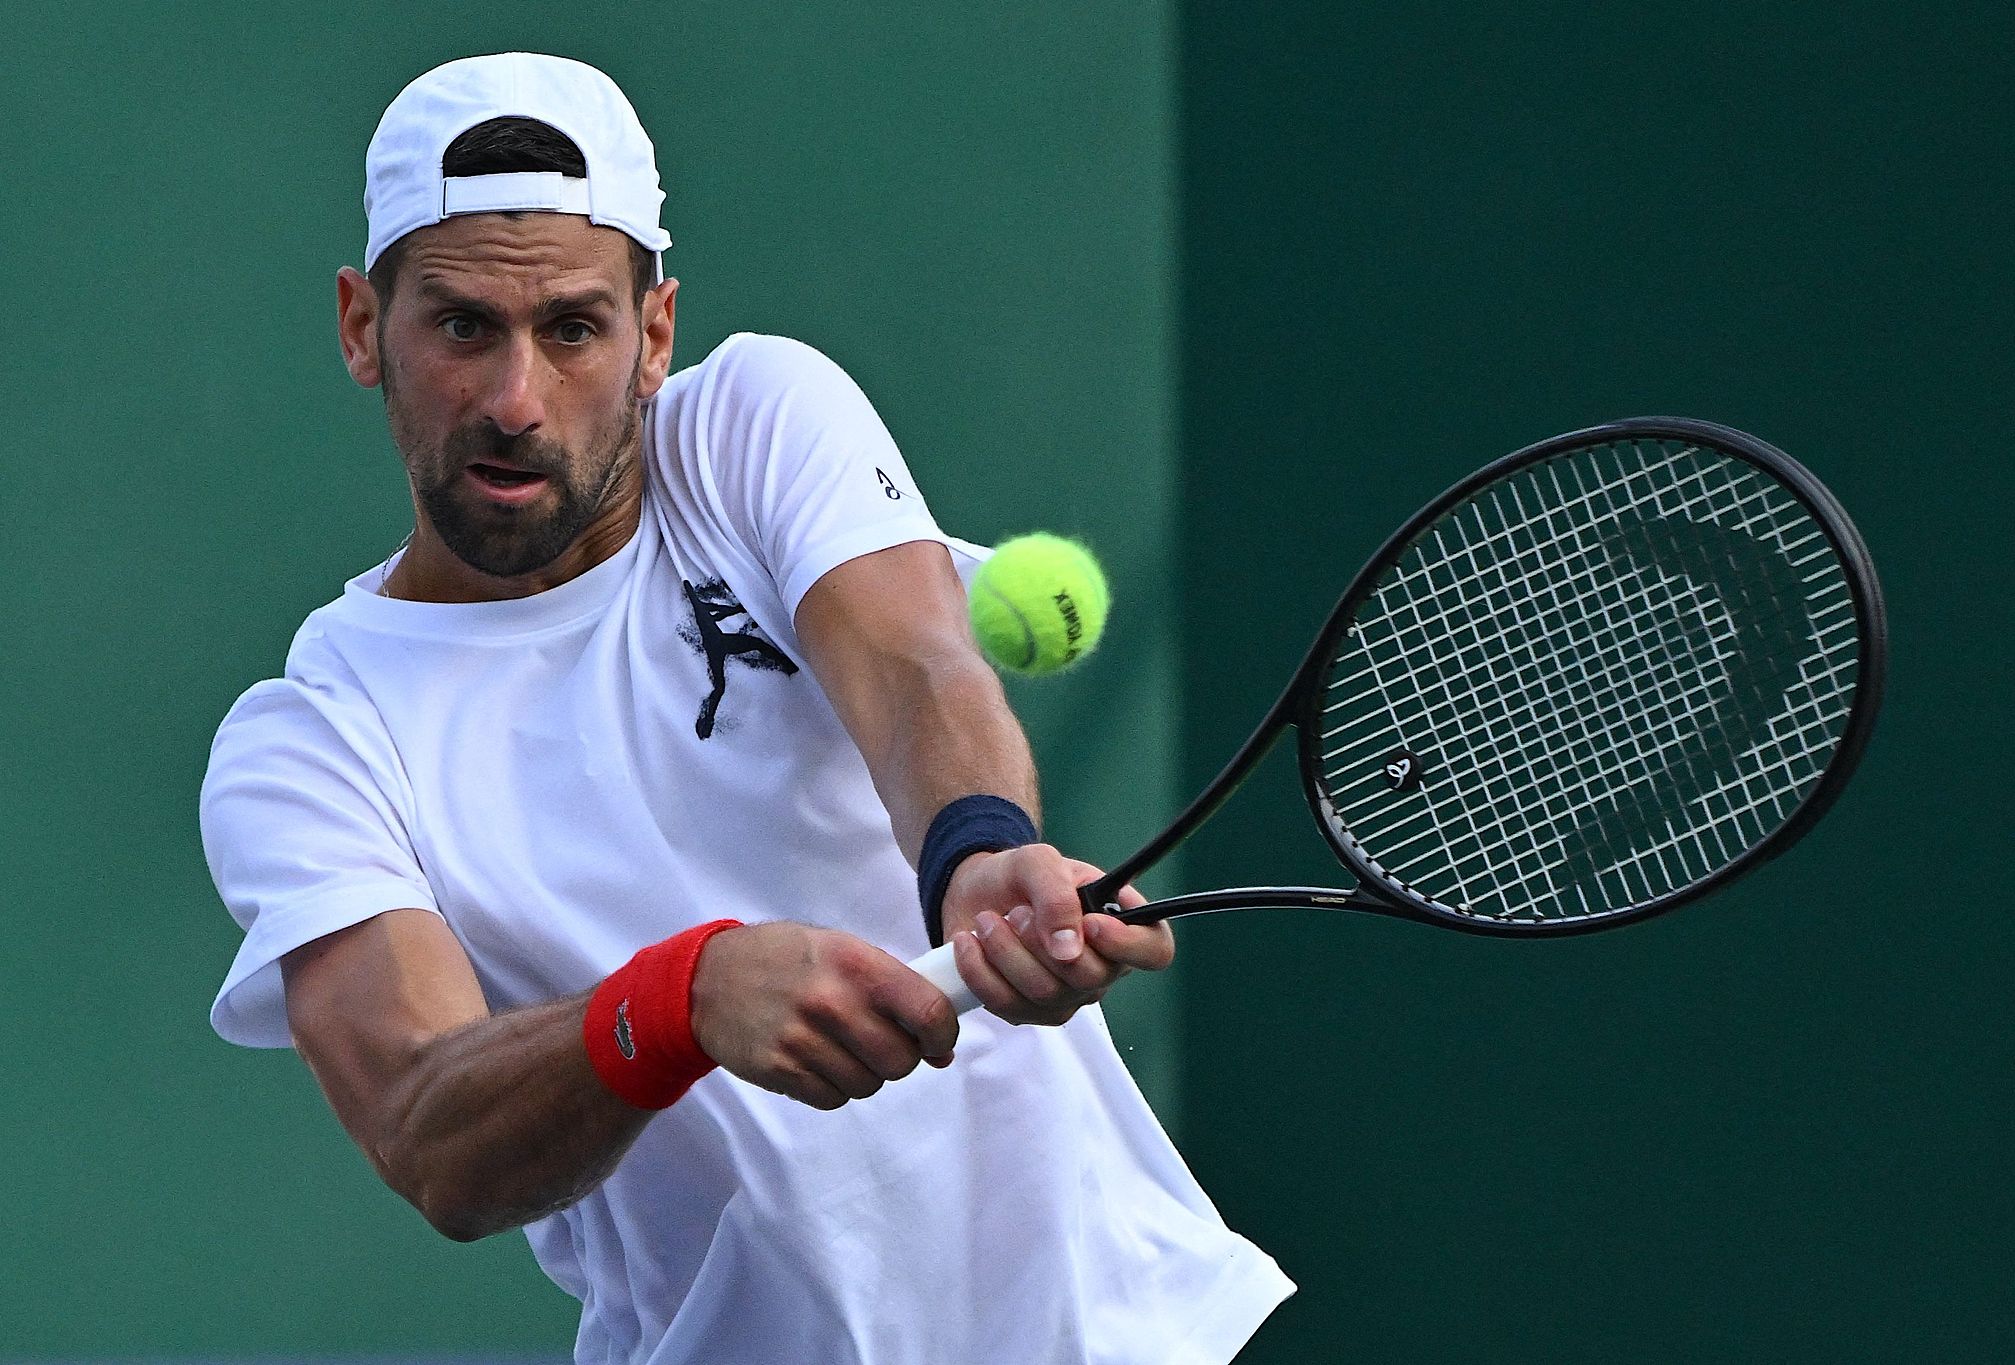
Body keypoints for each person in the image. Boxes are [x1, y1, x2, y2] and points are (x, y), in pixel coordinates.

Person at [202, 52, 1292, 1364]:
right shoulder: (311, 740)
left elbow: (913, 666)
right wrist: (681, 997)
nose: (514, 399)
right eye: (461, 326)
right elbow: (433, 1129)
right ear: (361, 326)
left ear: (654, 332)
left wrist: (978, 846)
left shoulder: (753, 427)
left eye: (572, 327)